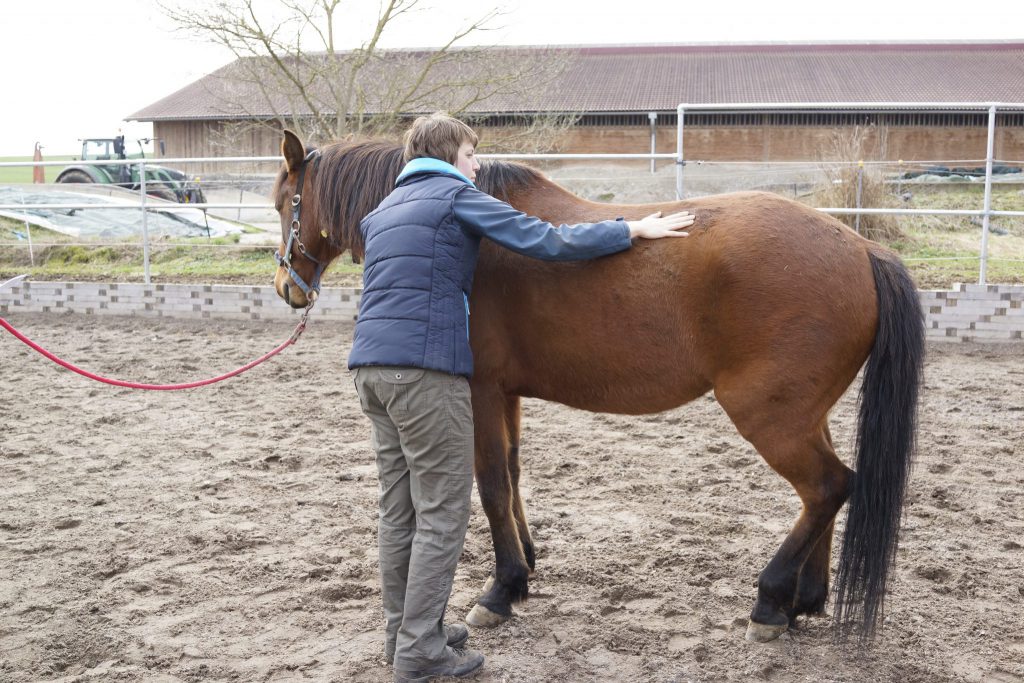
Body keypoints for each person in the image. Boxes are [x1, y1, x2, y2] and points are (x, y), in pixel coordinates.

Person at [349, 112, 694, 683]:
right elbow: (546, 240)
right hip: (426, 375)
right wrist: (629, 230)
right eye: (469, 153)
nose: (477, 164)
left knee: (399, 509)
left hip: (370, 371)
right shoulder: (456, 196)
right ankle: (421, 655)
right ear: (447, 156)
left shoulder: (381, 212)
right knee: (442, 512)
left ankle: (403, 635)